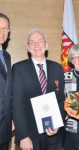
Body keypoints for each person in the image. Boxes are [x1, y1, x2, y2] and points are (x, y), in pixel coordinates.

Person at [12, 29, 65, 150]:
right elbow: (17, 104)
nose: (36, 45)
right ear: (28, 47)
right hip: (30, 135)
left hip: (54, 134)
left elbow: (61, 100)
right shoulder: (19, 69)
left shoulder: (57, 68)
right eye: (32, 42)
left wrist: (57, 123)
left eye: (40, 41)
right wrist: (23, 136)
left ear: (46, 45)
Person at [0, 13, 13, 150]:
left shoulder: (7, 56)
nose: (1, 32)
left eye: (5, 28)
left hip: (5, 127)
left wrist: (11, 118)